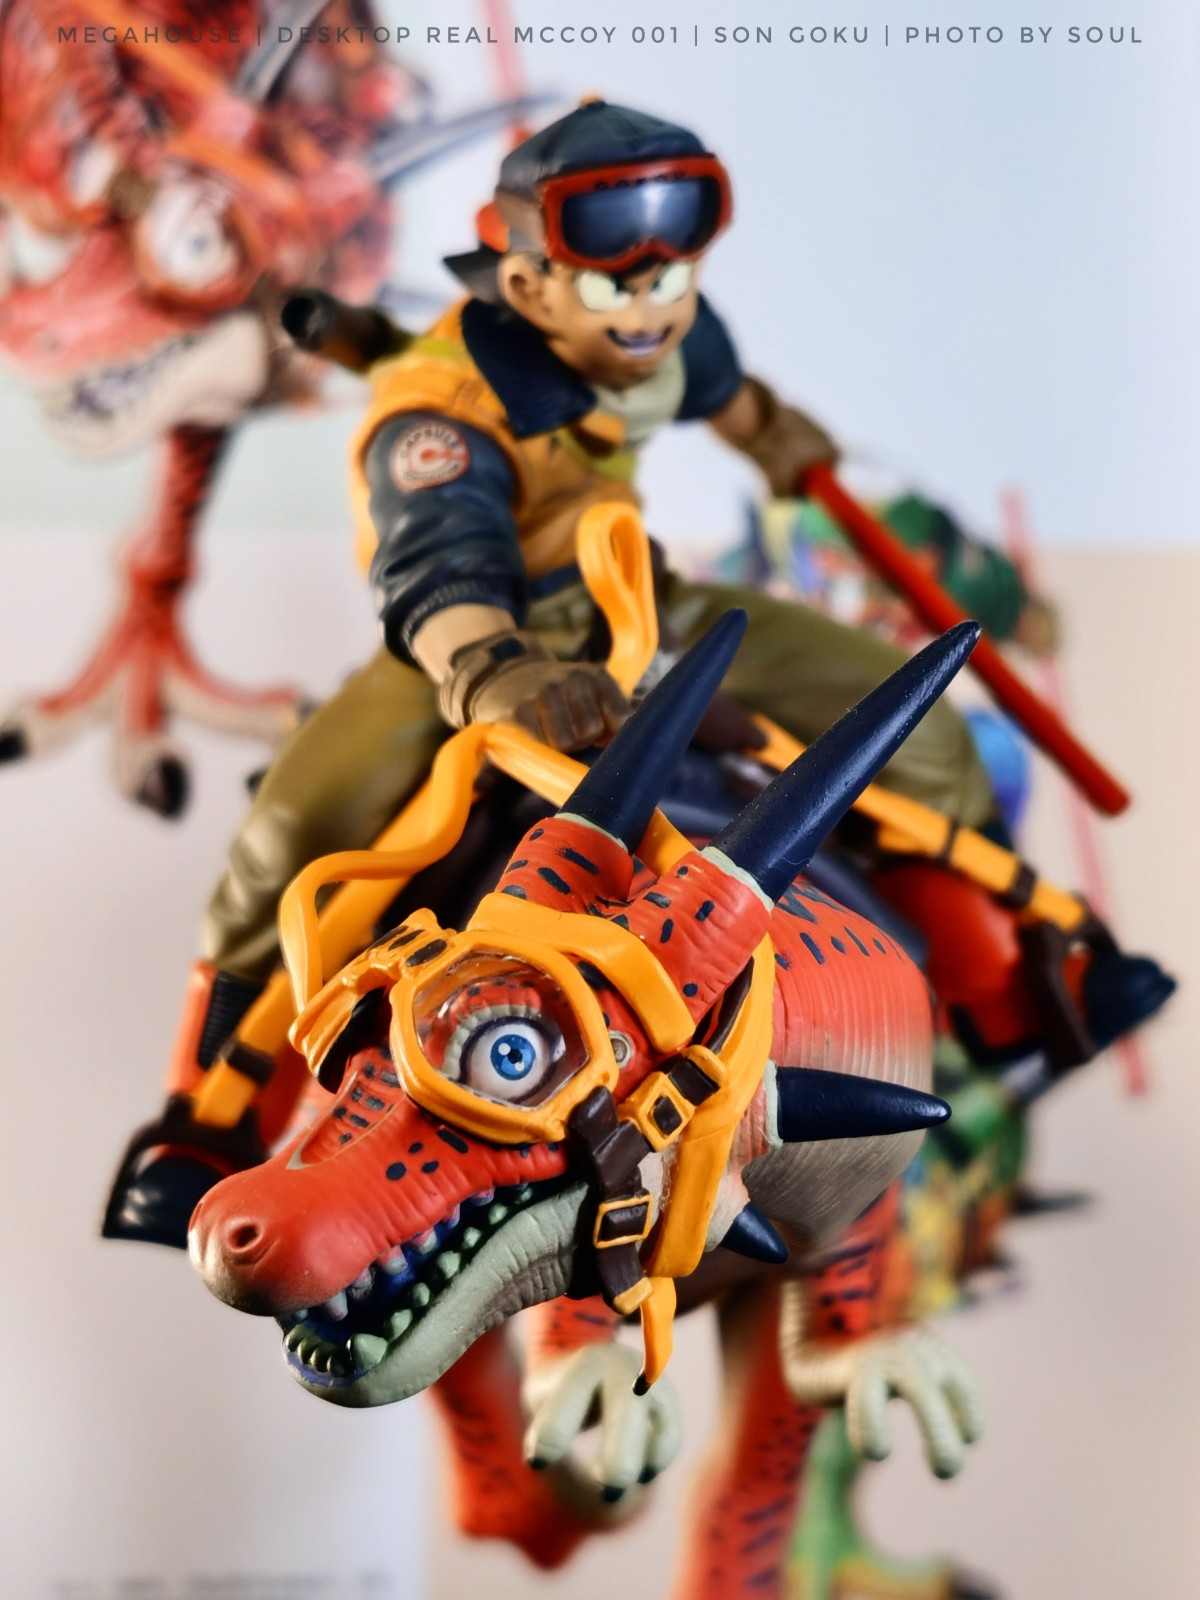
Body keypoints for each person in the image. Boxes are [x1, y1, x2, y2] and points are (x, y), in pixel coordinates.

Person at [104, 101, 1171, 1246]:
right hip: (475, 643)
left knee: (919, 728)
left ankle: (1011, 990)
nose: (654, 298)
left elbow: (726, 393)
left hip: (641, 603)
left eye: (676, 269)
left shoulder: (665, 323)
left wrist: (779, 437)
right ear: (528, 282)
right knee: (292, 833)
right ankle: (205, 1119)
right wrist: (494, 671)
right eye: (618, 277)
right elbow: (438, 570)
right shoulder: (438, 412)